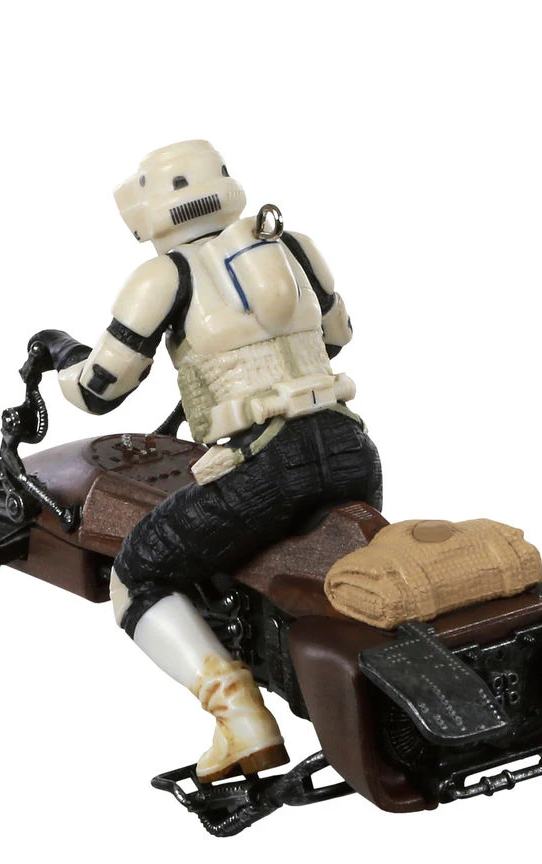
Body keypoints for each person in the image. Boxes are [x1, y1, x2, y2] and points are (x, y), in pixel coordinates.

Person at [32, 140, 382, 782]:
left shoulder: (164, 276)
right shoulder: (294, 246)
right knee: (341, 581)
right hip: (349, 447)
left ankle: (240, 721)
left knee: (138, 574)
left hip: (264, 464)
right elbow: (337, 337)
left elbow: (99, 391)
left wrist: (61, 355)